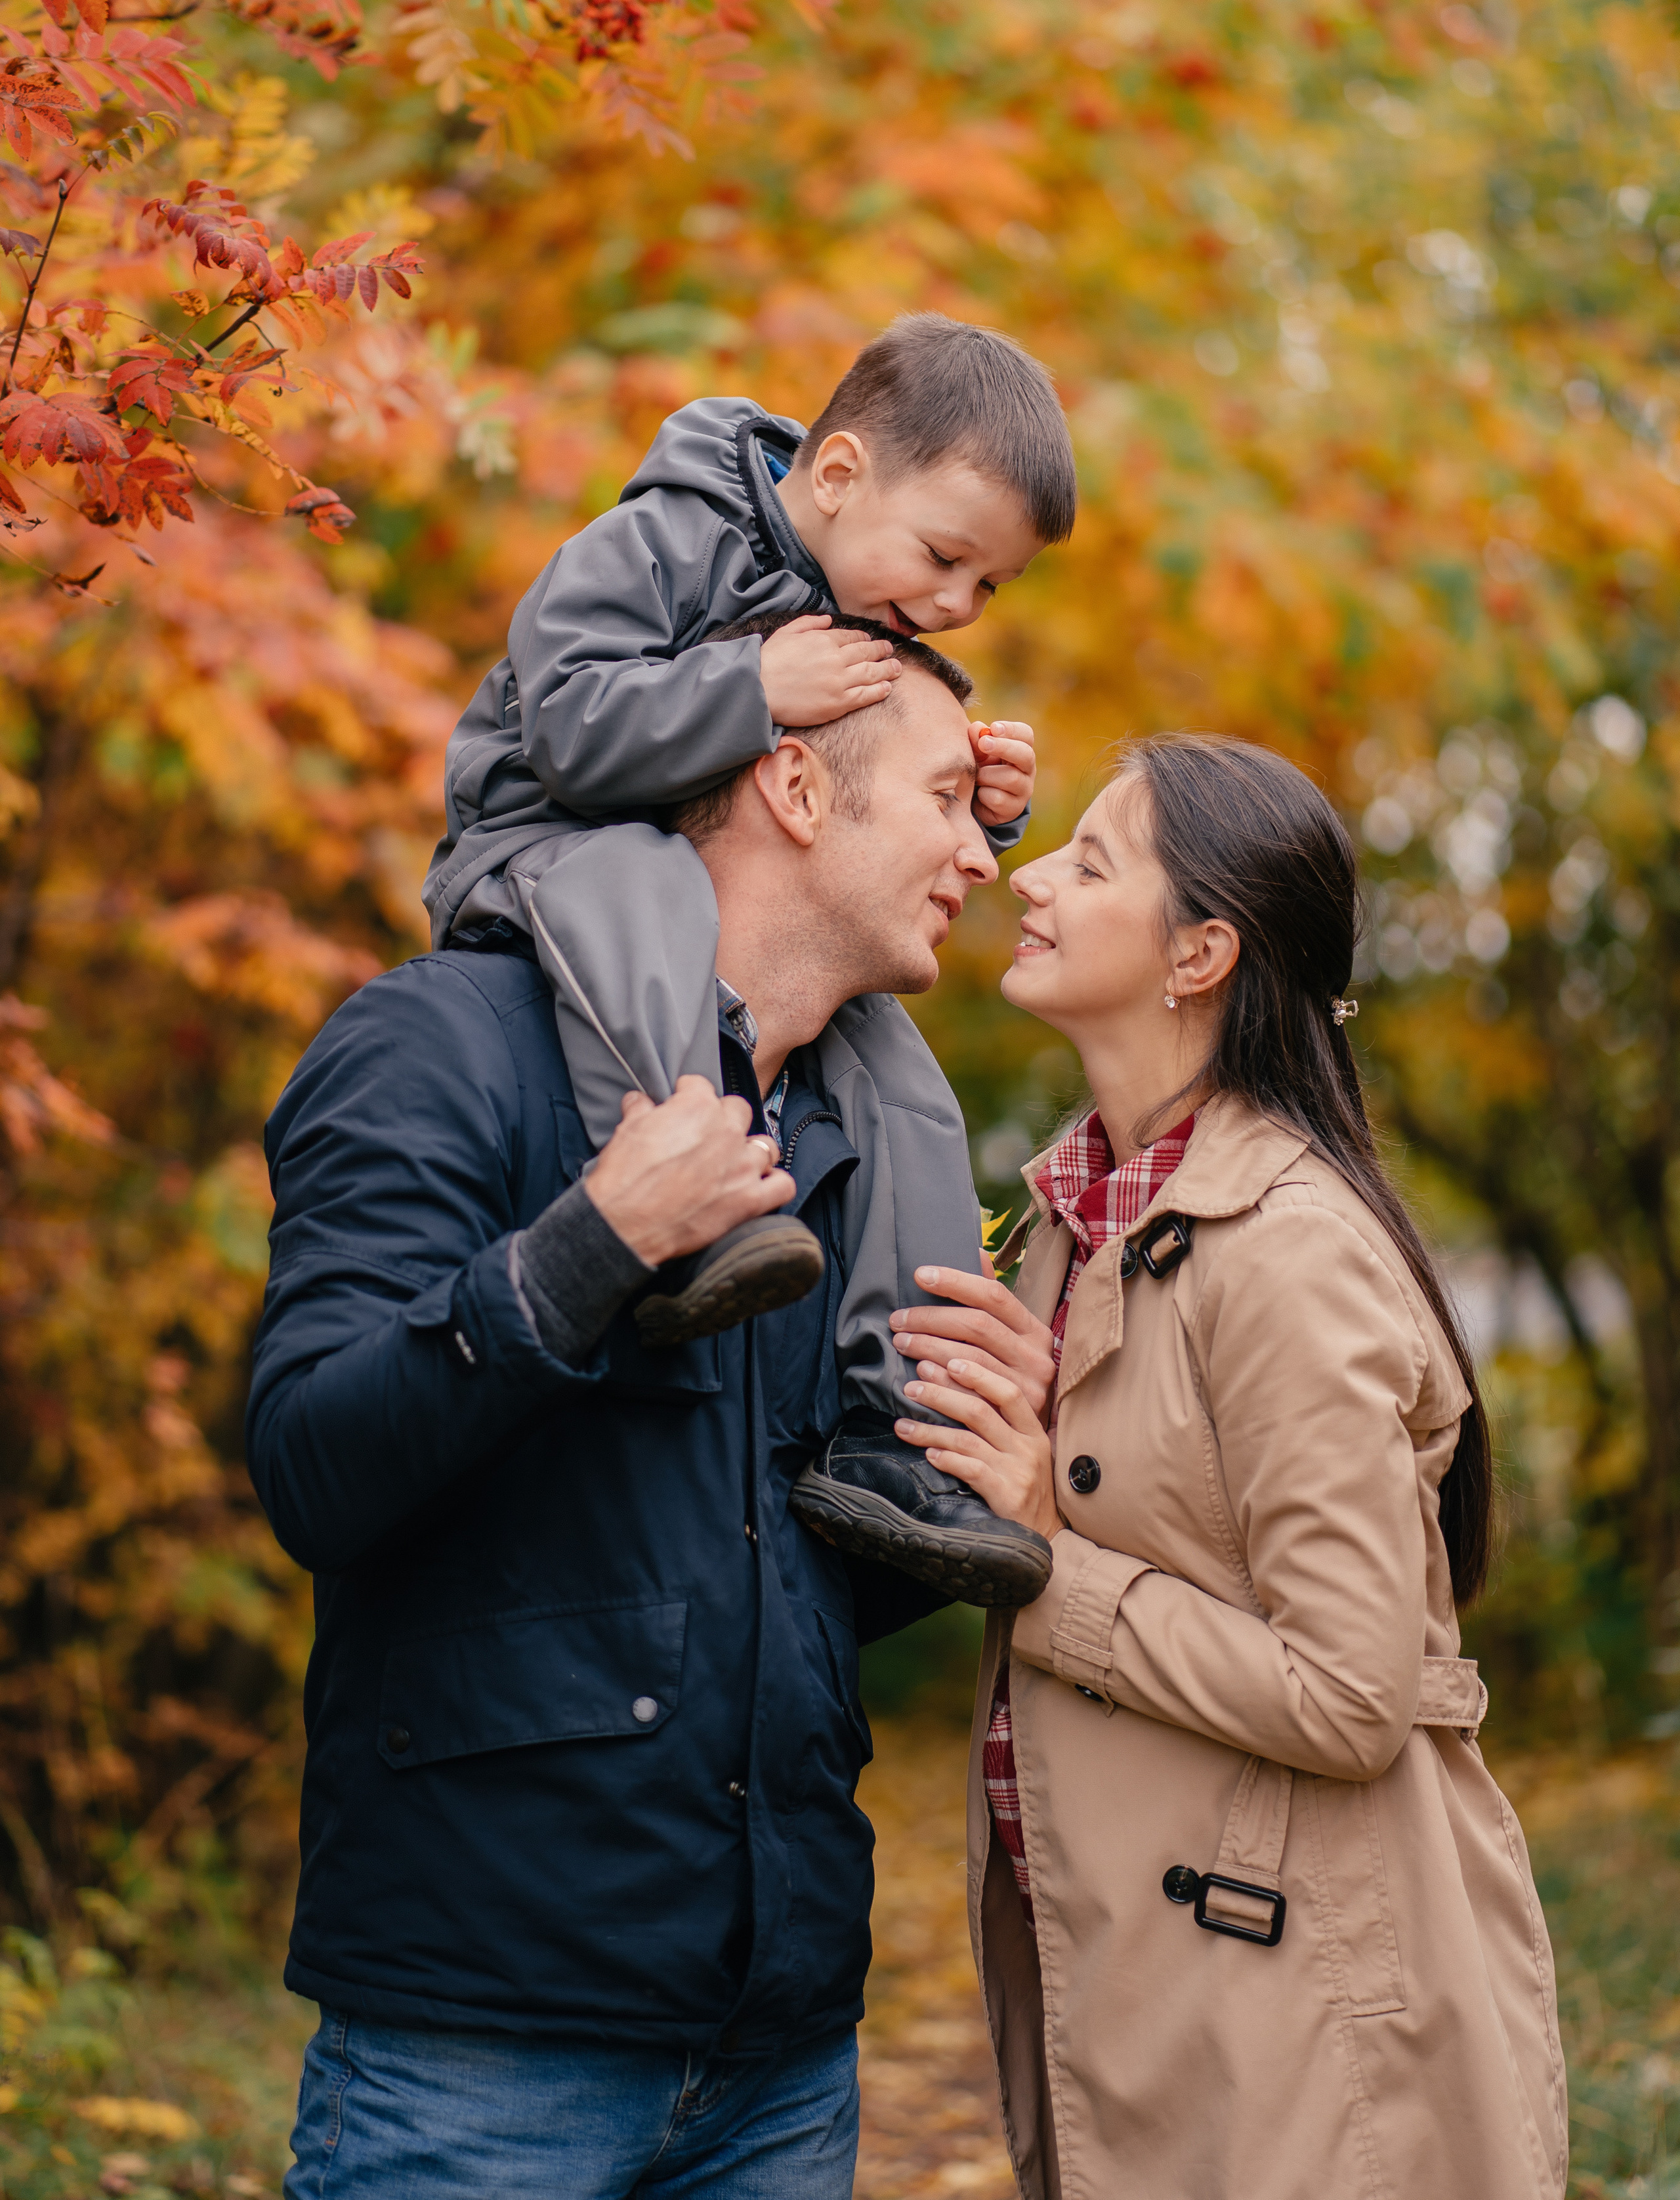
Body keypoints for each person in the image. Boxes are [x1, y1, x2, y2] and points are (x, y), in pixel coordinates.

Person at [251, 633, 1008, 2199]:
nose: (979, 850)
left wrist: (964, 1475)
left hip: (782, 2057)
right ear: (795, 783)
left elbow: (770, 1583)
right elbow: (314, 1469)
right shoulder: (441, 1046)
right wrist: (593, 1246)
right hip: (480, 2057)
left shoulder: (844, 1140)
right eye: (946, 798)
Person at [879, 734, 1567, 2200]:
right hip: (1138, 1980)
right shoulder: (1077, 1219)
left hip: (1297, 2026)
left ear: (1198, 951)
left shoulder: (1290, 1255)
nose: (1033, 878)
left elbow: (1349, 1691)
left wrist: (1038, 1561)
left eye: (1090, 859)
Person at [420, 312, 1076, 1605]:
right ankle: (685, 1217)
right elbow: (564, 729)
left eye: (986, 590)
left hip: (709, 888)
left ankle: (898, 1436)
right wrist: (753, 688)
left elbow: (858, 796)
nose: (950, 606)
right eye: (945, 558)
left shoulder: (862, 600)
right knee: (649, 887)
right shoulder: (667, 537)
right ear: (835, 478)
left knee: (898, 1082)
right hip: (552, 840)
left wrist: (981, 798)